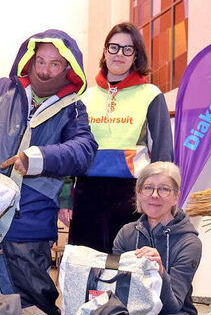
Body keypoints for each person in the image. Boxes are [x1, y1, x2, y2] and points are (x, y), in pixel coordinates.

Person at [0, 30, 97, 315]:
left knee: (33, 304)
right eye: (40, 61)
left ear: (68, 68)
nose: (45, 70)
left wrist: (36, 158)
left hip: (31, 221)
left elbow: (84, 151)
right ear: (30, 59)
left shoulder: (72, 109)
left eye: (55, 64)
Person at [66, 22, 173, 253]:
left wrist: (160, 202)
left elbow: (164, 155)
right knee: (86, 270)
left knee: (127, 272)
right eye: (114, 47)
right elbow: (69, 151)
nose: (119, 54)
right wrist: (65, 198)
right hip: (87, 195)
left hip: (132, 196)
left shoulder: (151, 95)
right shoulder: (85, 98)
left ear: (136, 56)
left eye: (128, 49)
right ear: (105, 52)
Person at [112, 162, 201, 315]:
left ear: (176, 196)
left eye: (164, 189)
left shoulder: (189, 242)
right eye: (148, 187)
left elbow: (174, 305)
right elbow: (115, 288)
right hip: (133, 310)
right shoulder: (126, 233)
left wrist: (160, 272)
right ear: (139, 193)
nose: (155, 195)